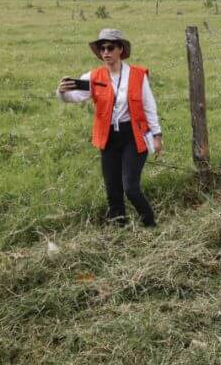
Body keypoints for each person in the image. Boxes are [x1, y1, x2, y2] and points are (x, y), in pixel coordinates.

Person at [57, 28, 163, 228]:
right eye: (102, 48)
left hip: (133, 136)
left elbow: (149, 107)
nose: (105, 52)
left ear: (120, 49)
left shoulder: (137, 75)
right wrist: (62, 92)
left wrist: (157, 135)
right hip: (108, 137)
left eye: (110, 47)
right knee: (112, 189)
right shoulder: (93, 76)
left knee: (130, 188)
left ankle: (150, 224)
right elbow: (74, 97)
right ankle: (119, 228)